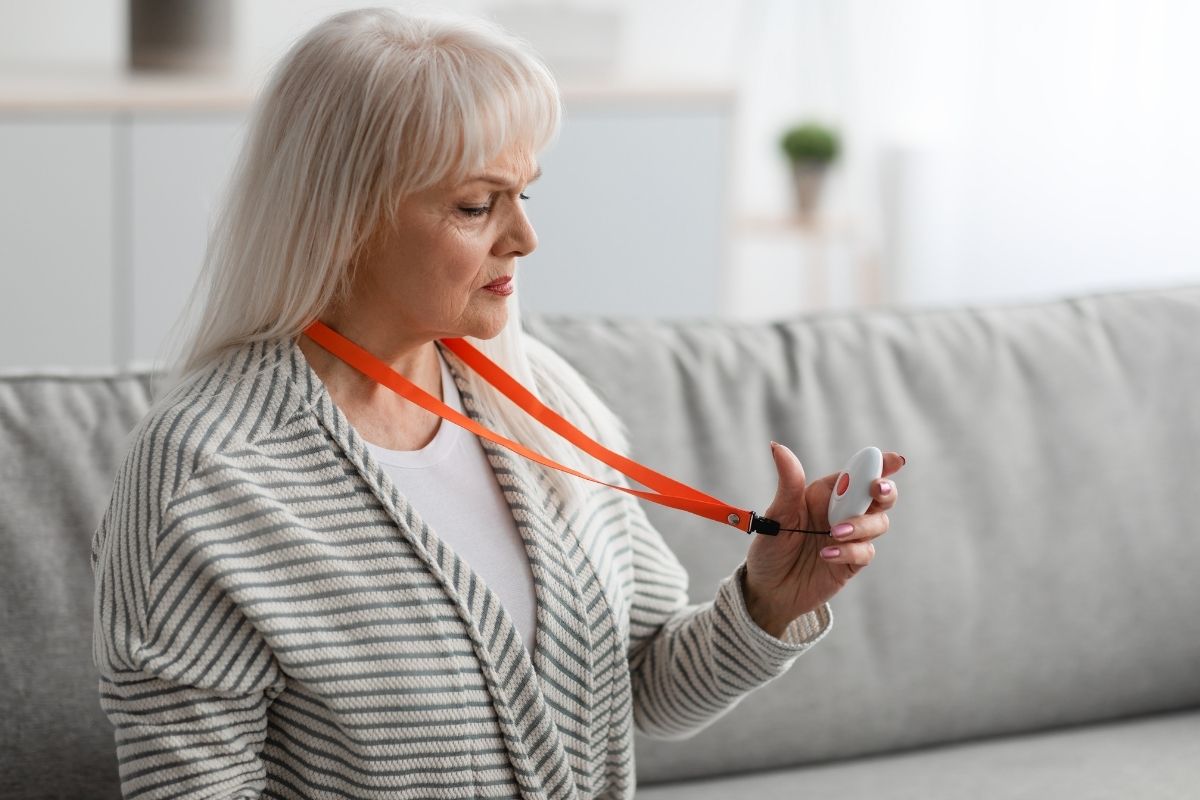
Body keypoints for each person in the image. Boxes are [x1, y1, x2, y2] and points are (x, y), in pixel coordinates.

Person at [90, 7, 903, 799]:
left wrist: (768, 603)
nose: (525, 237)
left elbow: (646, 687)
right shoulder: (205, 477)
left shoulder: (540, 396)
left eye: (525, 195)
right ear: (343, 218)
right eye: (477, 206)